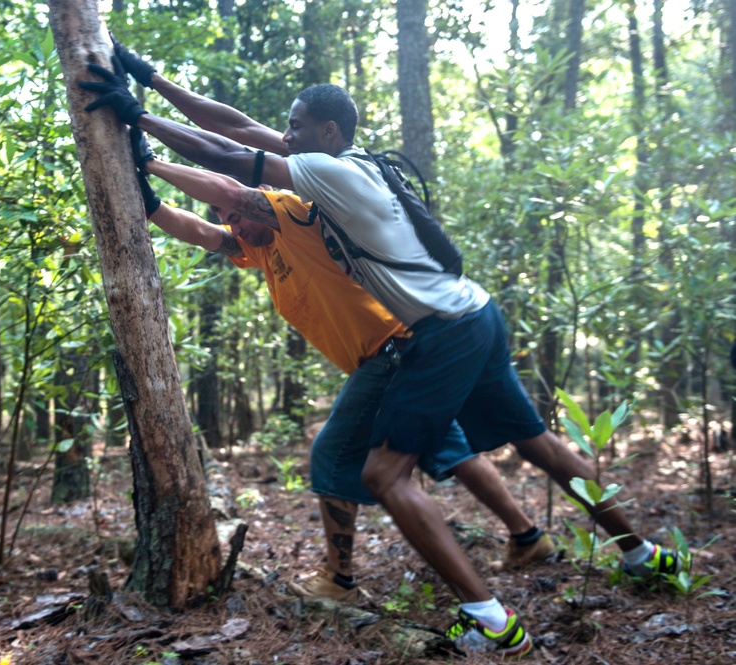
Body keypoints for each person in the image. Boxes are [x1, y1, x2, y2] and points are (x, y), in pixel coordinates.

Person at [80, 48, 685, 657]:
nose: (284, 133)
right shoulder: (349, 164)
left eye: (295, 125)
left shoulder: (329, 175)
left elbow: (231, 159)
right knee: (539, 444)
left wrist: (140, 126)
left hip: (439, 331)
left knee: (384, 475)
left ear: (329, 132)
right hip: (475, 312)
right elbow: (234, 127)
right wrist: (151, 79)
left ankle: (491, 621)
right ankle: (641, 553)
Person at [126, 127, 556, 605]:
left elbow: (230, 189)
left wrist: (151, 164)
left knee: (332, 455)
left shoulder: (291, 213)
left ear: (259, 201)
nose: (237, 225)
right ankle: (528, 536)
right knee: (449, 449)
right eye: (232, 221)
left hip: (390, 352)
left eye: (241, 215)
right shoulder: (259, 250)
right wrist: (150, 204)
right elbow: (205, 232)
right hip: (403, 354)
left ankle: (340, 580)